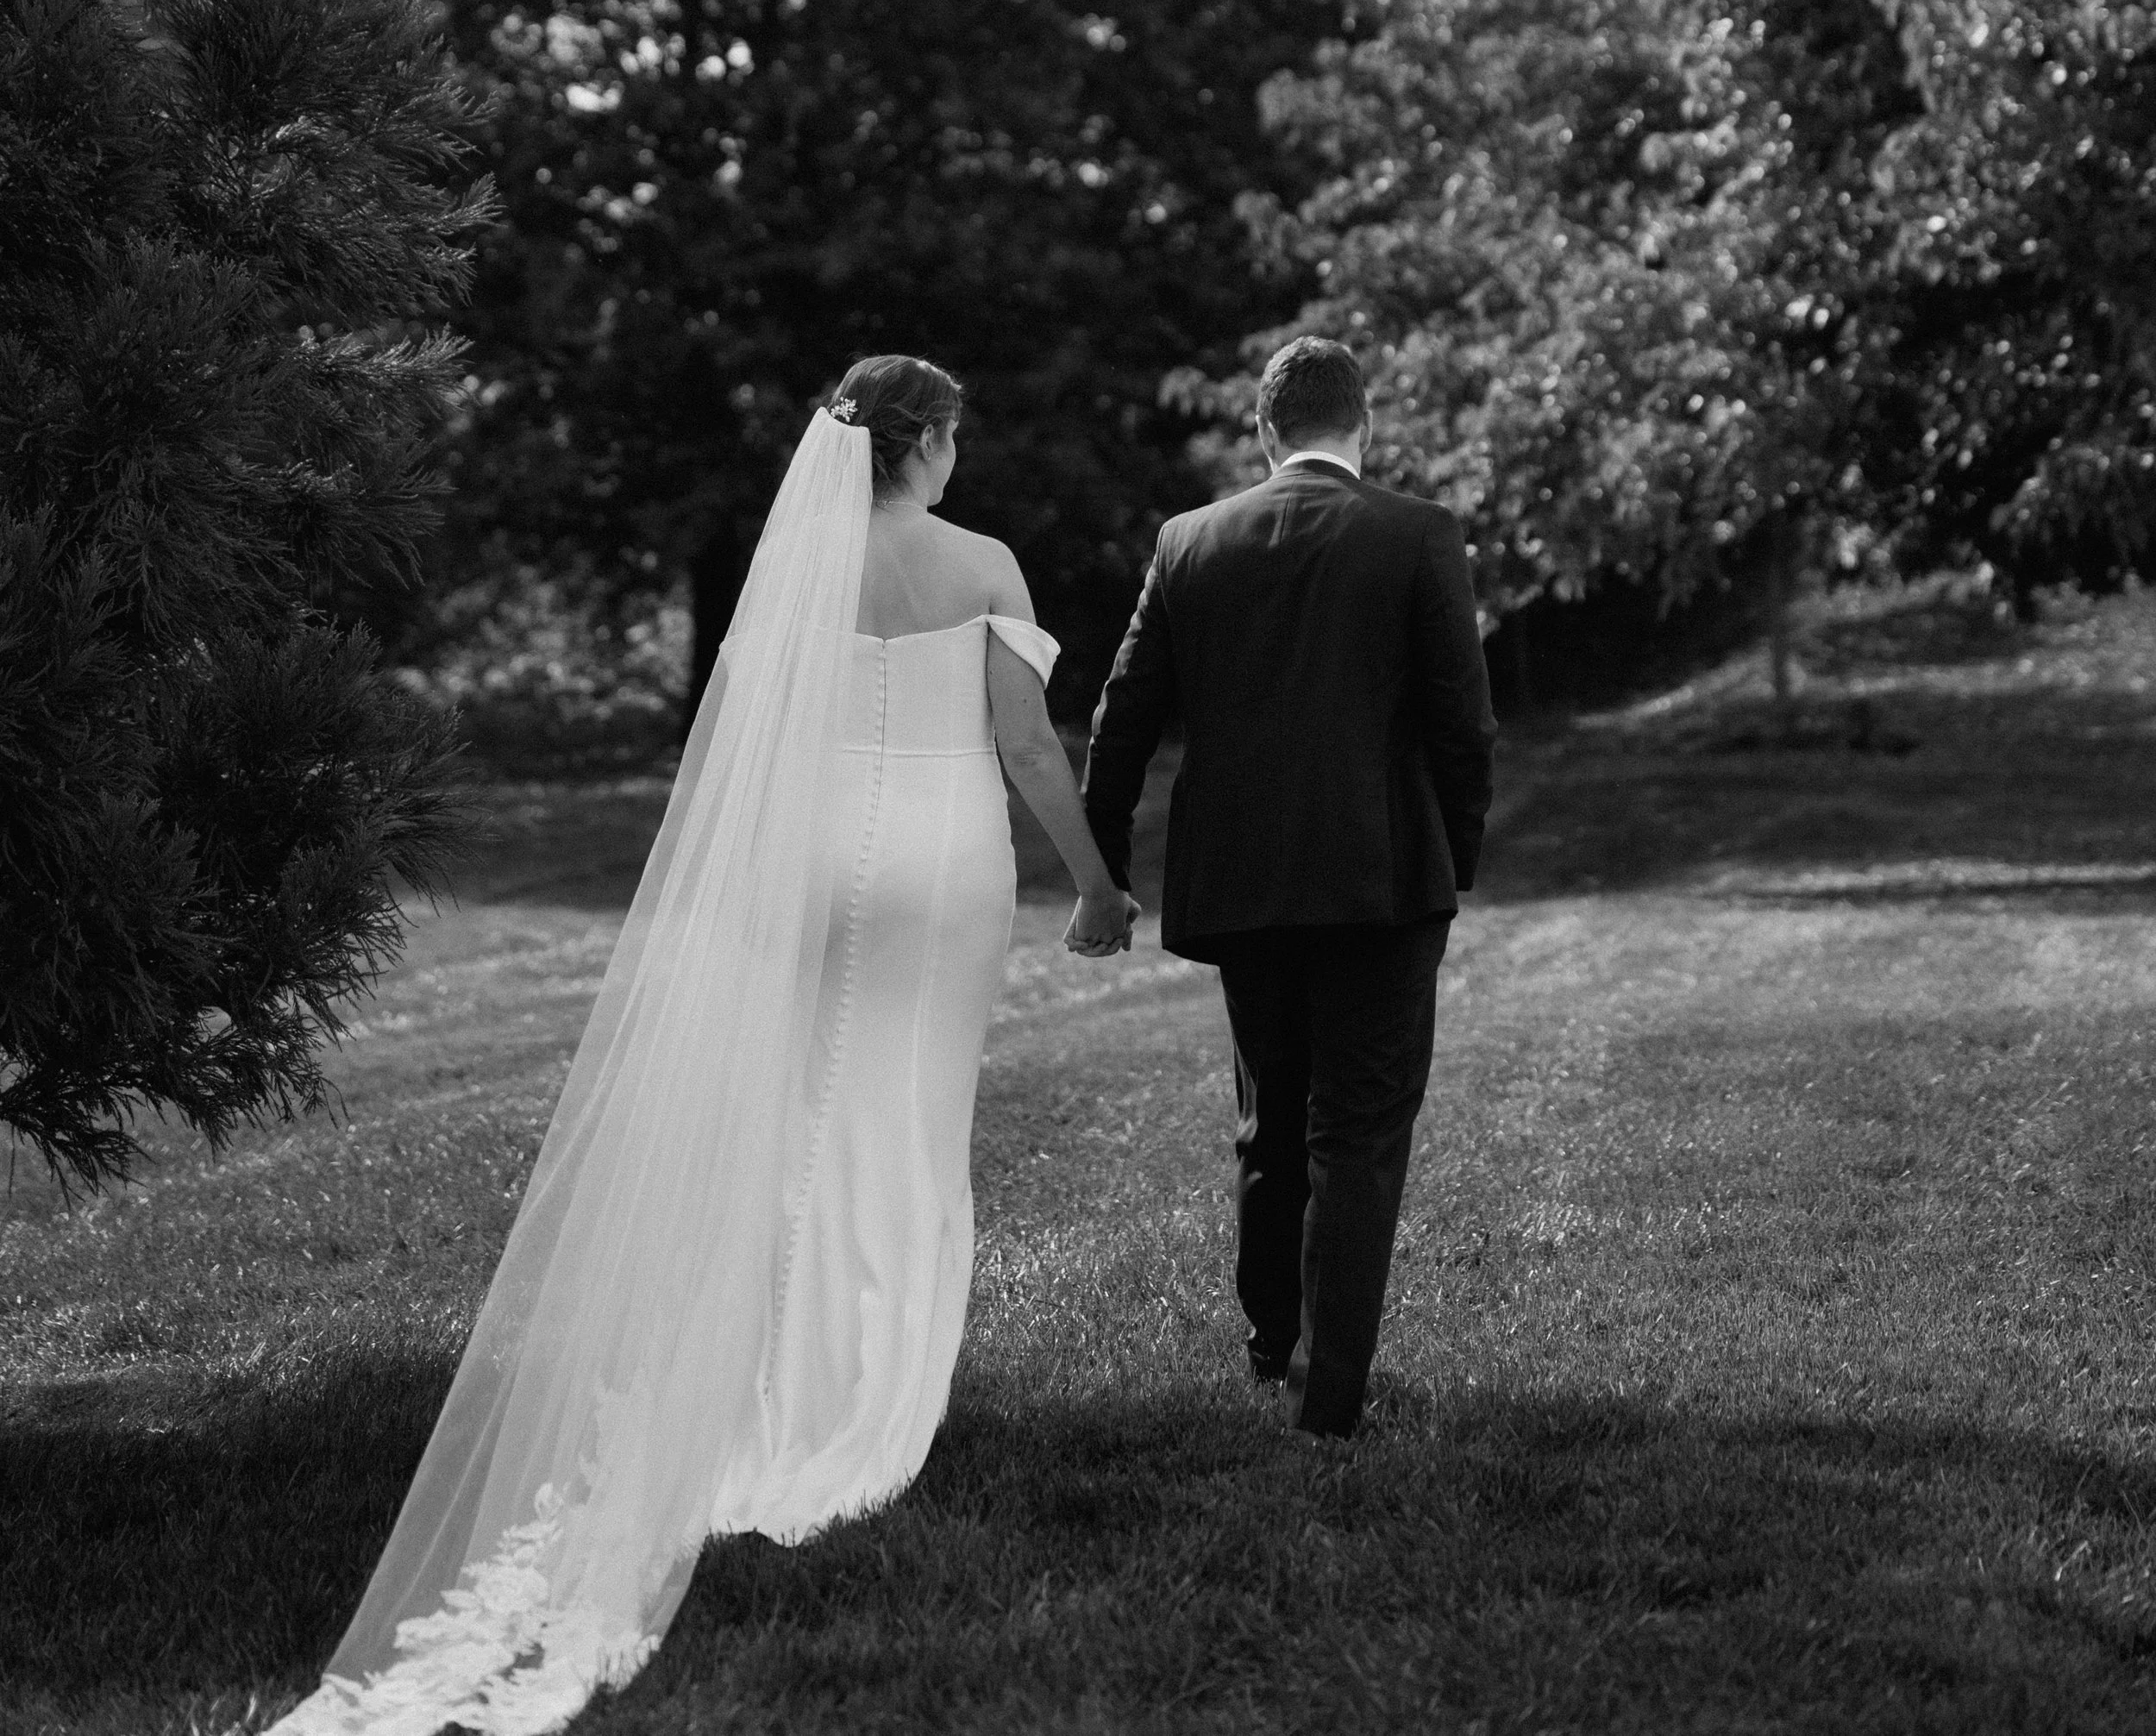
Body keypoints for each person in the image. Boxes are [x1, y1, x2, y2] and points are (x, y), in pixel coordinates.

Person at [273, 354, 1137, 1736]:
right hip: (944, 858)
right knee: (906, 1122)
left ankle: (750, 1390)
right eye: (958, 431)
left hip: (807, 864)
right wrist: (1095, 881)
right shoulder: (984, 561)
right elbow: (1027, 745)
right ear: (934, 444)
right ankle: (854, 1407)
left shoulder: (795, 565)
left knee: (795, 1117)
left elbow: (749, 743)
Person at [1079, 334, 1496, 1439]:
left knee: (1271, 1119)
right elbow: (1464, 720)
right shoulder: (1418, 534)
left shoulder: (1189, 543)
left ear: (1264, 430)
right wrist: (1455, 855)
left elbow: (1123, 716)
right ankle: (1332, 1397)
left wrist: (1104, 867)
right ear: (1363, 426)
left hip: (1245, 882)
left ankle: (1274, 1343)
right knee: (1356, 1130)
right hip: (1383, 880)